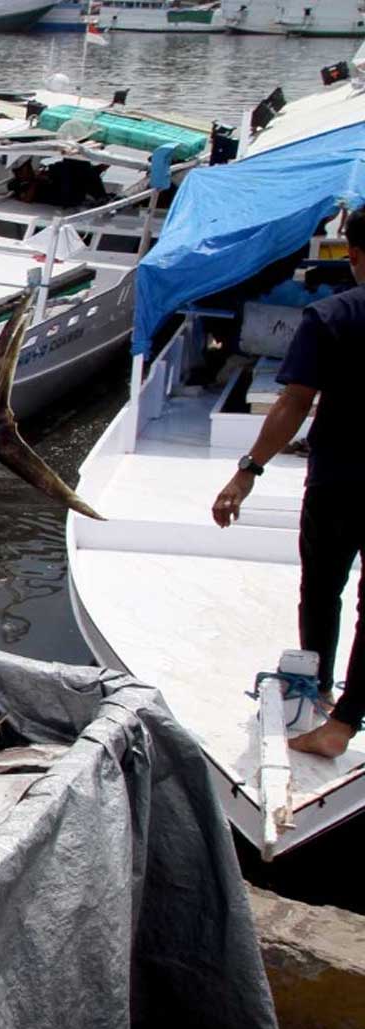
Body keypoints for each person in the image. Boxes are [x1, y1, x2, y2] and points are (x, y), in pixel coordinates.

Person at [214, 212, 363, 759]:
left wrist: (247, 471)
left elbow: (294, 402)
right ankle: (345, 720)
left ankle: (318, 689)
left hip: (340, 481)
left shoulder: (331, 316)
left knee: (323, 586)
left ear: (353, 254)